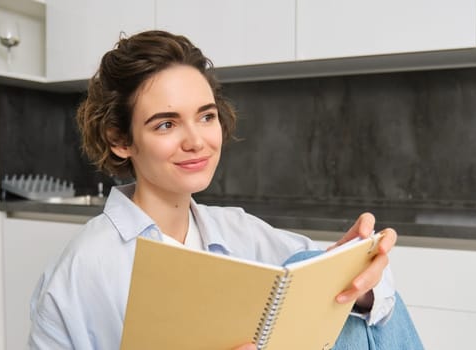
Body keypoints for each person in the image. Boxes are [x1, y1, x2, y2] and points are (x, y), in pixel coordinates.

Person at [28, 30, 422, 350]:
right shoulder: (81, 273)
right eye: (166, 124)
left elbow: (379, 308)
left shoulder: (237, 230)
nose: (196, 141)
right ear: (120, 140)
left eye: (206, 116)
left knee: (322, 276)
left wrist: (353, 275)